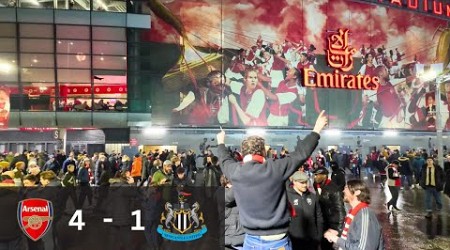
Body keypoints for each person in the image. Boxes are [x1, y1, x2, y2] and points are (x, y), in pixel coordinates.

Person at [216, 110, 328, 249]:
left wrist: (220, 142)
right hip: (278, 242)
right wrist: (316, 130)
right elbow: (301, 154)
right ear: (264, 152)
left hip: (251, 242)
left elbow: (224, 159)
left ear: (242, 153)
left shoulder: (235, 171)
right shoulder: (276, 168)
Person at [324, 180, 384, 250]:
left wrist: (336, 239)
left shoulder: (363, 215)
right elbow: (353, 236)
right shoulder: (353, 213)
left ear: (357, 192)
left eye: (346, 188)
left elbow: (362, 248)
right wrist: (338, 234)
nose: (343, 191)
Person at [287, 171, 323, 249]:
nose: (304, 185)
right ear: (294, 182)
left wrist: (319, 237)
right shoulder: (287, 197)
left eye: (305, 182)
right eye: (301, 182)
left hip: (312, 240)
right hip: (295, 240)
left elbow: (319, 217)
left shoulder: (312, 196)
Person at [313, 167, 346, 250]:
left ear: (324, 176)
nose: (315, 177)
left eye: (317, 175)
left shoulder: (334, 189)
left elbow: (340, 210)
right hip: (322, 223)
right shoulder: (317, 186)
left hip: (331, 225)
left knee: (328, 247)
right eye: (315, 175)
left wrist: (338, 230)